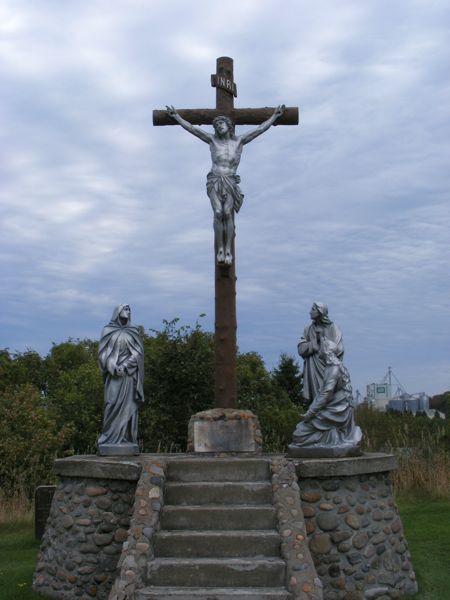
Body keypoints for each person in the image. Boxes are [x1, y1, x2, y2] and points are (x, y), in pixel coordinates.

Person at [166, 104, 286, 265]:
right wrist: (177, 117)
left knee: (227, 213)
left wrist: (274, 117)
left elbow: (259, 130)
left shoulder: (239, 141)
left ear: (228, 126)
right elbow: (193, 130)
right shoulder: (212, 140)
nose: (218, 127)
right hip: (215, 179)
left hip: (229, 180)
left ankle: (228, 248)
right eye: (216, 125)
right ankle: (220, 249)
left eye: (221, 124)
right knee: (217, 212)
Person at [290, 338, 362, 456]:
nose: (319, 351)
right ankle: (331, 435)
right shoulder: (334, 366)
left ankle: (331, 437)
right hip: (335, 410)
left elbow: (325, 394)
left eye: (321, 349)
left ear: (326, 351)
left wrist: (310, 413)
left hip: (336, 412)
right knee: (300, 432)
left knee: (299, 434)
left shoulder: (334, 368)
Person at [97, 304, 144, 454]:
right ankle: (109, 439)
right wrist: (113, 367)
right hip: (114, 376)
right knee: (110, 403)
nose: (128, 311)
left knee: (129, 407)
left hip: (128, 376)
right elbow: (102, 353)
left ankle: (127, 439)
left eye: (130, 309)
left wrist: (125, 366)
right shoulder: (107, 331)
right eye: (125, 309)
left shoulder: (133, 331)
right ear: (117, 312)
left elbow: (138, 353)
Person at [298, 302, 343, 405]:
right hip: (312, 369)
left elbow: (339, 349)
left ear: (320, 312)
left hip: (328, 368)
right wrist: (315, 342)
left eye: (313, 309)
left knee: (329, 396)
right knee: (316, 398)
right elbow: (301, 349)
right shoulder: (308, 330)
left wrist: (324, 343)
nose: (310, 312)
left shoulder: (333, 328)